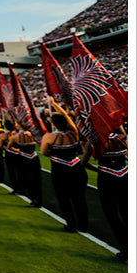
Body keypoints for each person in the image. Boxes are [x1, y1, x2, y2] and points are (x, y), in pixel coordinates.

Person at [40, 98, 90, 232]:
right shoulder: (74, 131)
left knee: (64, 198)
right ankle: (83, 225)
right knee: (79, 198)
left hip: (60, 170)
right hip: (76, 167)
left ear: (54, 124)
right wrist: (55, 104)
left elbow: (44, 152)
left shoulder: (49, 137)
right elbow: (67, 116)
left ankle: (71, 224)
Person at [95, 125, 128, 260]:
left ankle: (125, 249)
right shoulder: (122, 140)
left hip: (106, 178)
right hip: (125, 175)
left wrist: (100, 170)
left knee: (112, 214)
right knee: (127, 211)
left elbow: (86, 160)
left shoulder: (98, 143)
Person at [11, 120, 43, 208]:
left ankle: (33, 198)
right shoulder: (32, 134)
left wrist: (17, 150)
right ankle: (39, 200)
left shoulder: (15, 136)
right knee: (36, 179)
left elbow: (10, 146)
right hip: (34, 157)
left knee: (26, 179)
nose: (15, 125)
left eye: (17, 124)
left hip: (23, 158)